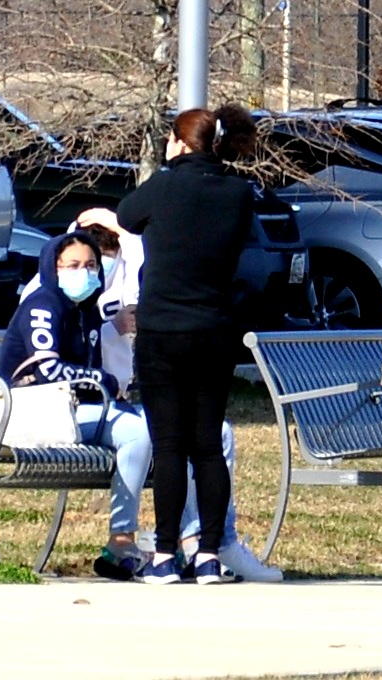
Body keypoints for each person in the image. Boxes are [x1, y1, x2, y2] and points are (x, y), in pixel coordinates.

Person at [112, 104, 260, 582]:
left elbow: (126, 217)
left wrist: (169, 165)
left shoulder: (165, 184)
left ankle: (163, 556)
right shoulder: (239, 192)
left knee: (170, 445)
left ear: (179, 142)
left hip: (162, 331)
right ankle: (210, 554)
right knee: (208, 447)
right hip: (214, 330)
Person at [0, 227, 151, 579]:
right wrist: (103, 380)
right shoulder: (42, 305)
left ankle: (196, 544)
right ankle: (121, 542)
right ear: (53, 267)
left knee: (193, 432)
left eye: (90, 264)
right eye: (72, 265)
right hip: (37, 411)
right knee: (138, 432)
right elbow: (47, 368)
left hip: (80, 410)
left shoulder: (87, 310)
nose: (83, 272)